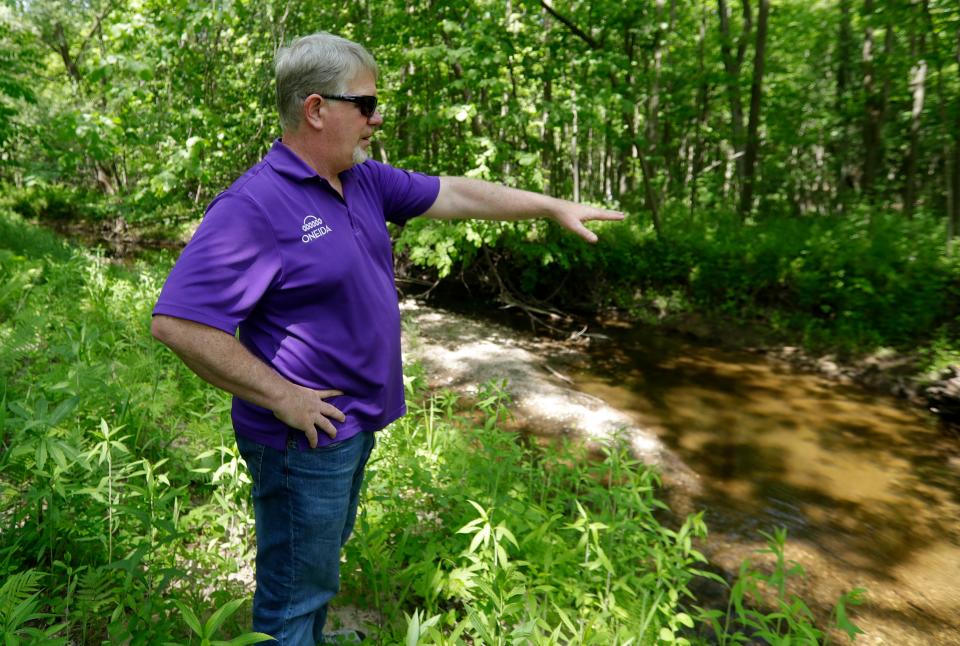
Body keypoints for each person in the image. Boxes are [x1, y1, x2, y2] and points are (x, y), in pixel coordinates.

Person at [151, 32, 623, 645]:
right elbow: (178, 322)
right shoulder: (255, 206)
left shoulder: (364, 181)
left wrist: (550, 205)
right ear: (317, 109)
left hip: (350, 429)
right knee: (294, 595)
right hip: (303, 441)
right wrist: (283, 397)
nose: (378, 119)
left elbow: (455, 192)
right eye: (367, 104)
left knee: (313, 575)